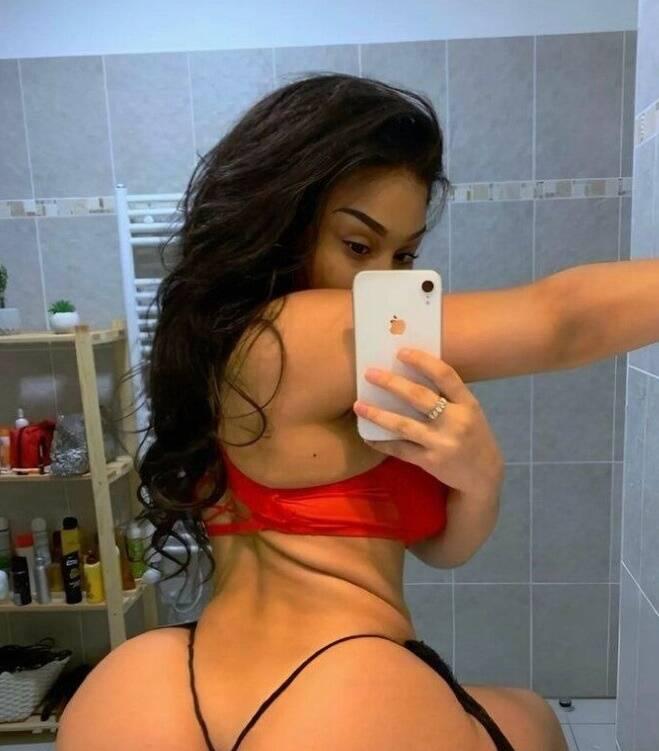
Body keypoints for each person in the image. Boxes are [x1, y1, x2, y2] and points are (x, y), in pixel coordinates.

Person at [56, 73, 658, 751]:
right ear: (279, 224)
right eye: (356, 246)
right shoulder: (296, 331)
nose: (383, 281)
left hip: (162, 689)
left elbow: (439, 548)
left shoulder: (227, 344)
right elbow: (562, 321)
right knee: (536, 720)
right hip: (342, 680)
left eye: (404, 254)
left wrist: (480, 478)